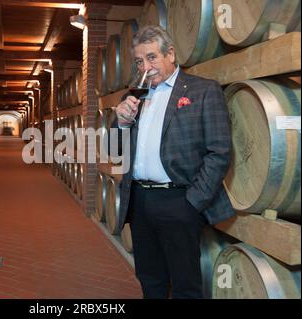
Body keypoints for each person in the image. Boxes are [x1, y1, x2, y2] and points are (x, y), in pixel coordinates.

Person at [113, 26, 235, 299]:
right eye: (139, 61)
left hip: (179, 201)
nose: (146, 67)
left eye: (152, 57)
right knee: (149, 279)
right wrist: (120, 124)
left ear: (171, 54)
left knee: (185, 285)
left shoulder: (204, 90)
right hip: (140, 201)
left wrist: (192, 203)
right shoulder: (133, 96)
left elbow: (219, 152)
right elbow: (117, 152)